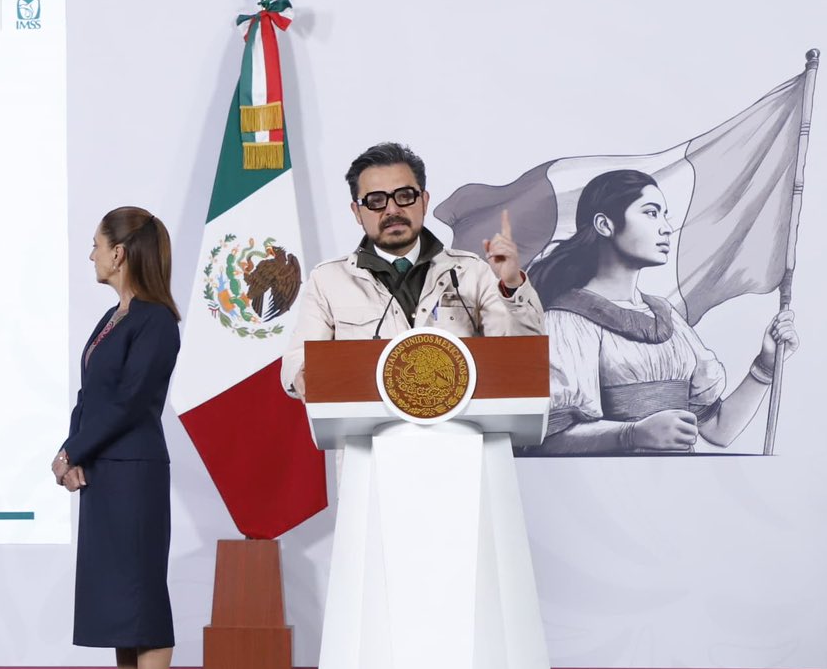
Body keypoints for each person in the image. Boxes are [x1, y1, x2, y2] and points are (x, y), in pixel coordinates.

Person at [522, 169, 798, 454]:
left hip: (680, 480)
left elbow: (718, 430)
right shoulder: (567, 320)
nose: (666, 228)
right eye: (651, 213)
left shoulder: (667, 317)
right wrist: (632, 434)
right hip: (613, 481)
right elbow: (548, 439)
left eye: (665, 215)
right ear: (605, 225)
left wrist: (766, 365)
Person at [54, 206, 182, 669]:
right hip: (106, 471)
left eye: (96, 244)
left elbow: (130, 403)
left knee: (141, 597)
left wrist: (76, 452)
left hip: (135, 471)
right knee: (119, 604)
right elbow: (92, 398)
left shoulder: (156, 320)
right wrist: (70, 450)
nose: (91, 254)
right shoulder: (113, 317)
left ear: (120, 252)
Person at [283, 143, 542, 399]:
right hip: (370, 425)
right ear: (357, 212)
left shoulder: (471, 272)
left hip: (461, 424)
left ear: (424, 201)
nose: (392, 210)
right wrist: (302, 375)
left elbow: (520, 355)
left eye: (405, 196)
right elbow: (299, 360)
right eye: (376, 201)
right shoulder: (329, 281)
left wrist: (512, 284)